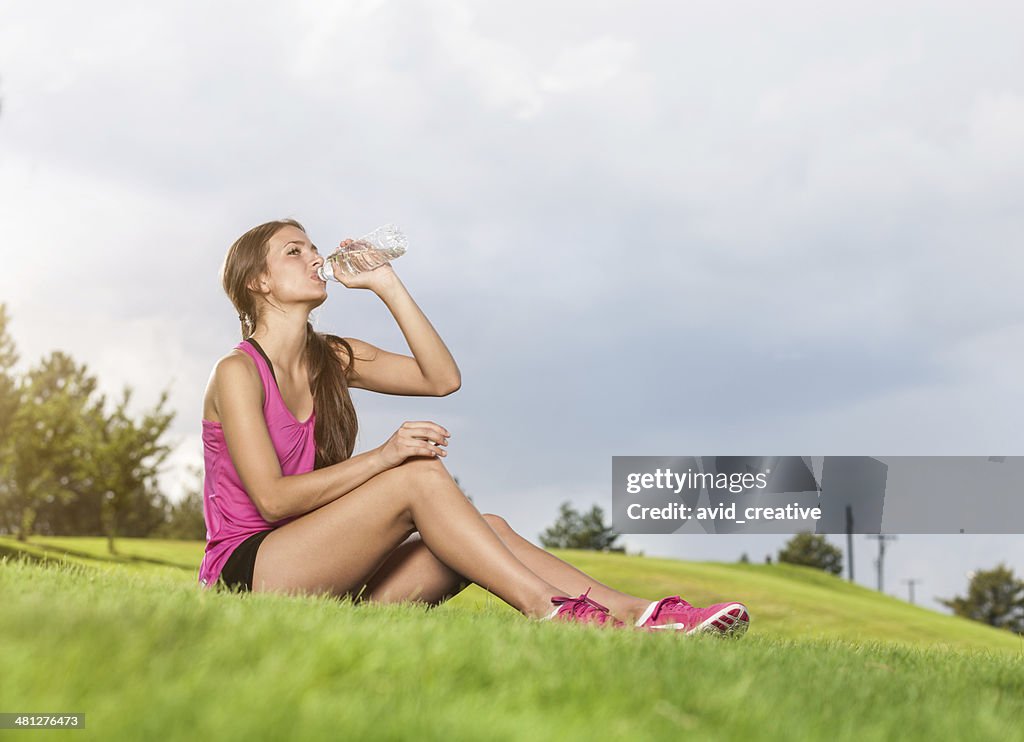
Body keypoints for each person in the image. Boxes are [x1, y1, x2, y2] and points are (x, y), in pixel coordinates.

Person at [197, 218, 750, 635]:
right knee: (415, 475)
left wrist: (387, 283)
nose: (315, 257)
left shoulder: (332, 358)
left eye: (313, 247)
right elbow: (272, 501)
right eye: (294, 251)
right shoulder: (237, 373)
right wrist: (386, 456)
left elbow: (441, 379)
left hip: (323, 576)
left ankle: (640, 614)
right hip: (249, 576)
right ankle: (551, 611)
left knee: (488, 529)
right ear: (258, 281)